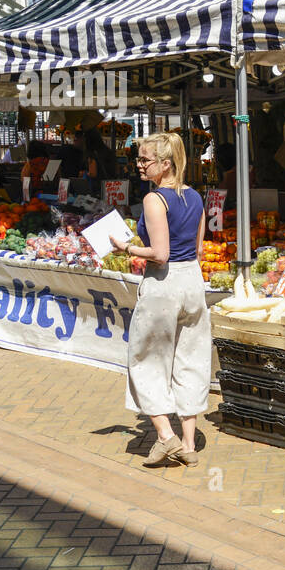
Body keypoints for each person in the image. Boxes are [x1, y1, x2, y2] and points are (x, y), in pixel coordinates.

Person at [110, 132, 208, 469]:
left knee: (146, 359)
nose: (138, 165)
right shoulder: (196, 197)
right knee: (190, 358)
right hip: (193, 281)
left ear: (165, 164)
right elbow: (197, 249)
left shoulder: (155, 200)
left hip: (163, 285)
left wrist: (126, 248)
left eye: (144, 160)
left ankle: (166, 437)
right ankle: (189, 444)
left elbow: (160, 254)